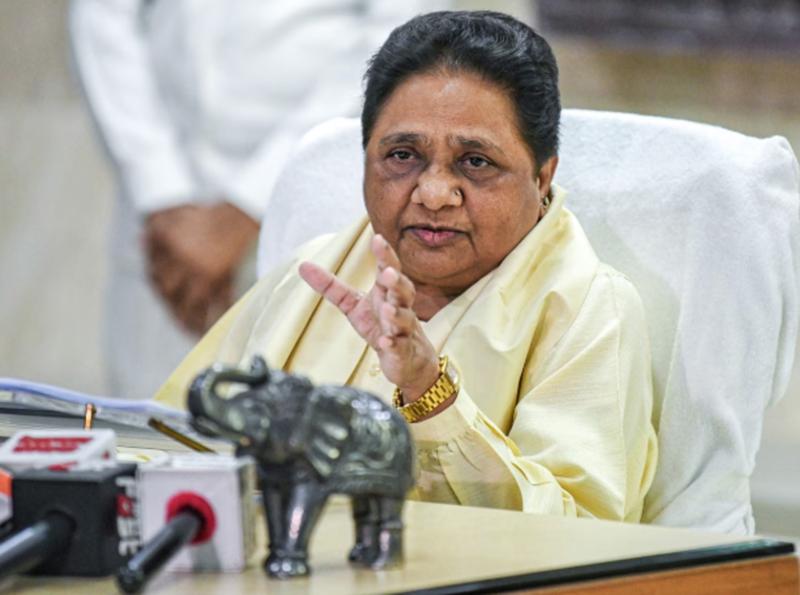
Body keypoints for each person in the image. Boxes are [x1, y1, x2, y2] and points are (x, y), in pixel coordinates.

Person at [157, 11, 658, 520]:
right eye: (402, 155)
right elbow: (166, 446)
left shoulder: (590, 309)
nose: (434, 193)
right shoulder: (314, 273)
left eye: (476, 162)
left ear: (542, 176)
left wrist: (429, 394)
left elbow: (583, 535)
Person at [69, 0, 446, 399]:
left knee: (320, 411)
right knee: (152, 414)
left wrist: (252, 199)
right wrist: (159, 184)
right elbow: (102, 16)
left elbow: (400, 34)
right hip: (169, 215)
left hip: (328, 187)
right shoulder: (163, 199)